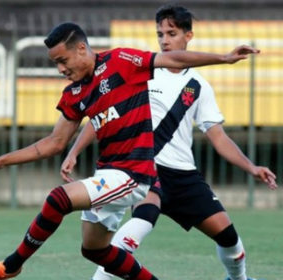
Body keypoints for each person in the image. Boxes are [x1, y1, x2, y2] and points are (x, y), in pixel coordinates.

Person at [0, 21, 259, 280]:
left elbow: (172, 58)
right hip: (108, 172)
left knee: (58, 199)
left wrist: (223, 58)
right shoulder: (74, 93)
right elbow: (53, 143)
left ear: (81, 49)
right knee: (94, 250)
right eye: (55, 63)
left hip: (134, 175)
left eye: (63, 60)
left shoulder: (122, 60)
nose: (61, 69)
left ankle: (11, 266)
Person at [60, 6, 277, 280]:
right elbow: (104, 115)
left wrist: (251, 167)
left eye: (171, 33)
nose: (164, 40)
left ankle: (239, 279)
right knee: (139, 224)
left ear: (188, 36)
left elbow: (218, 136)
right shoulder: (141, 72)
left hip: (184, 176)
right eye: (160, 34)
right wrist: (75, 150)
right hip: (145, 168)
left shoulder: (199, 86)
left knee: (230, 240)